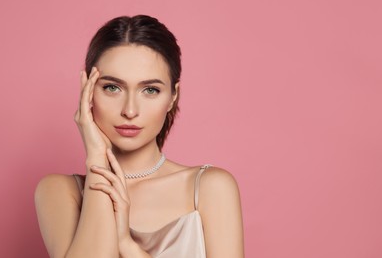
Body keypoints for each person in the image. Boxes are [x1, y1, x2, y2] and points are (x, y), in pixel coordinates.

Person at [35, 15, 244, 258]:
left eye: (150, 90)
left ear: (173, 97)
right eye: (112, 87)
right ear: (88, 92)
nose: (130, 110)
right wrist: (97, 160)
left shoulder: (210, 188)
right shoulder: (59, 192)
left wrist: (126, 244)